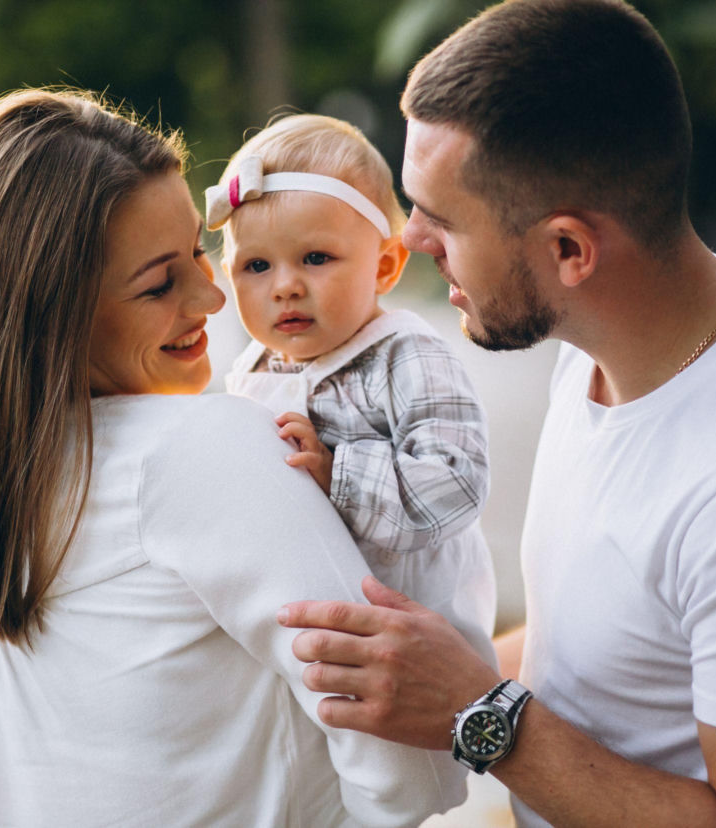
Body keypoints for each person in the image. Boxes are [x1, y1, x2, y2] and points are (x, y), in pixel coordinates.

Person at [0, 88, 470, 826]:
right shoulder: (204, 447)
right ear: (54, 317)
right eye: (159, 284)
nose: (213, 299)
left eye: (198, 252)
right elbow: (408, 763)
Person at [277, 1, 716, 826]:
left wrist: (479, 712)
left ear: (569, 250)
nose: (411, 238)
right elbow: (594, 660)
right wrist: (403, 673)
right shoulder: (597, 347)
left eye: (441, 219)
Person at [205, 113, 497, 667]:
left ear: (384, 266)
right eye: (257, 265)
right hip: (310, 625)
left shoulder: (405, 355)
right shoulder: (253, 367)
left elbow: (455, 482)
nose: (285, 286)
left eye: (316, 258)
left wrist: (336, 471)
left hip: (416, 636)